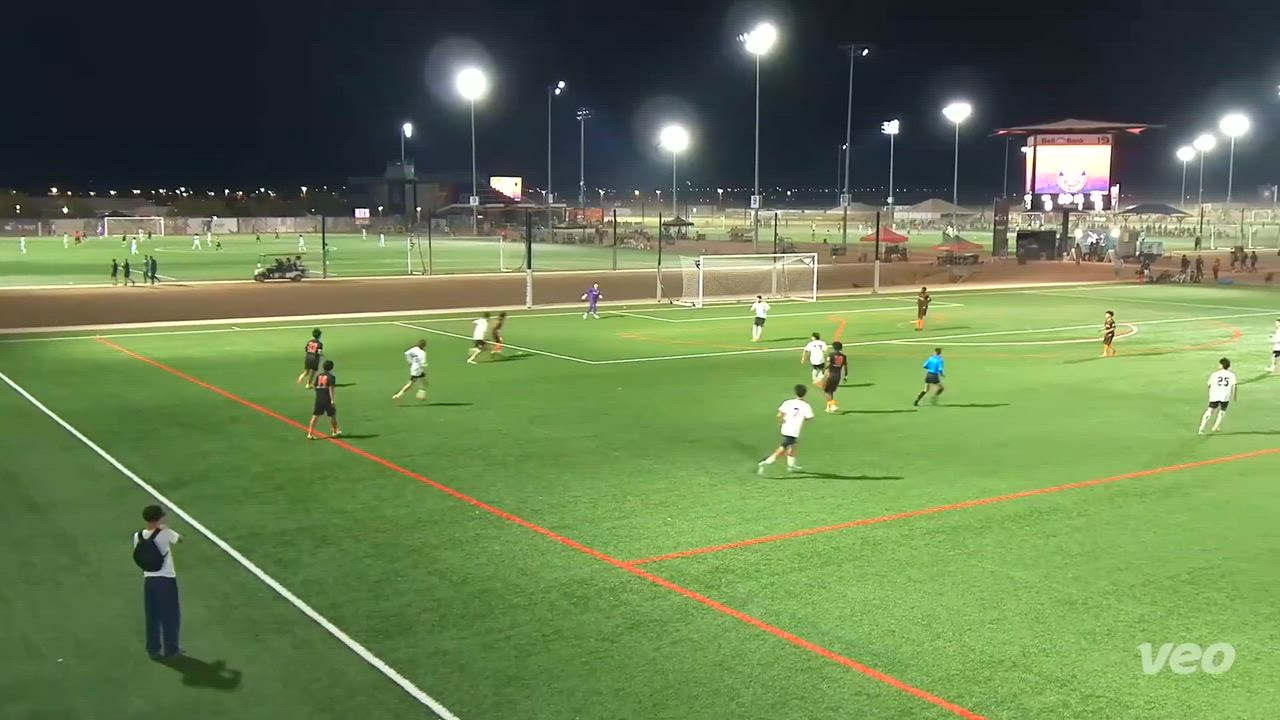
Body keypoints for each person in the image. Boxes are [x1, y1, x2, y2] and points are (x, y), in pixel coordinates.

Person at [133, 504, 182, 660]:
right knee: (170, 616)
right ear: (159, 517)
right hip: (166, 581)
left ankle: (153, 649)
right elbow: (180, 540)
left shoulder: (138, 536)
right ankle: (171, 650)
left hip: (149, 580)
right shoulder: (165, 533)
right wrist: (165, 528)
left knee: (152, 616)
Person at [758, 384, 815, 475]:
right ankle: (767, 462)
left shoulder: (788, 402)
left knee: (792, 445)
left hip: (785, 427)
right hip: (794, 430)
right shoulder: (806, 406)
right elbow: (809, 418)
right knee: (784, 446)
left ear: (795, 393)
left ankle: (791, 465)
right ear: (805, 394)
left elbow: (779, 414)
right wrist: (801, 420)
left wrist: (781, 423)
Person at [1198, 357, 1237, 434]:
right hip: (1225, 395)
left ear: (1221, 365)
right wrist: (1234, 396)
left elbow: (1209, 384)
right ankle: (1215, 427)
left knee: (1210, 410)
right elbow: (1234, 386)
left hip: (1215, 395)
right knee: (1222, 411)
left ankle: (1202, 428)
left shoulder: (1215, 374)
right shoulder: (1232, 375)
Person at [306, 360, 341, 439]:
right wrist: (332, 400)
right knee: (332, 415)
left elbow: (315, 386)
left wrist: (319, 393)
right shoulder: (332, 377)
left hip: (319, 398)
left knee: (315, 416)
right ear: (331, 368)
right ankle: (334, 431)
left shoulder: (318, 376)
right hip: (327, 398)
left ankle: (310, 434)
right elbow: (331, 389)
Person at [821, 341, 848, 413]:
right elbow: (845, 367)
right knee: (831, 391)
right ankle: (828, 407)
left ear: (833, 348)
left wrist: (823, 370)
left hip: (830, 375)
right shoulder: (844, 356)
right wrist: (845, 376)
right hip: (838, 376)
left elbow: (827, 364)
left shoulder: (831, 355)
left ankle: (832, 405)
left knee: (826, 391)